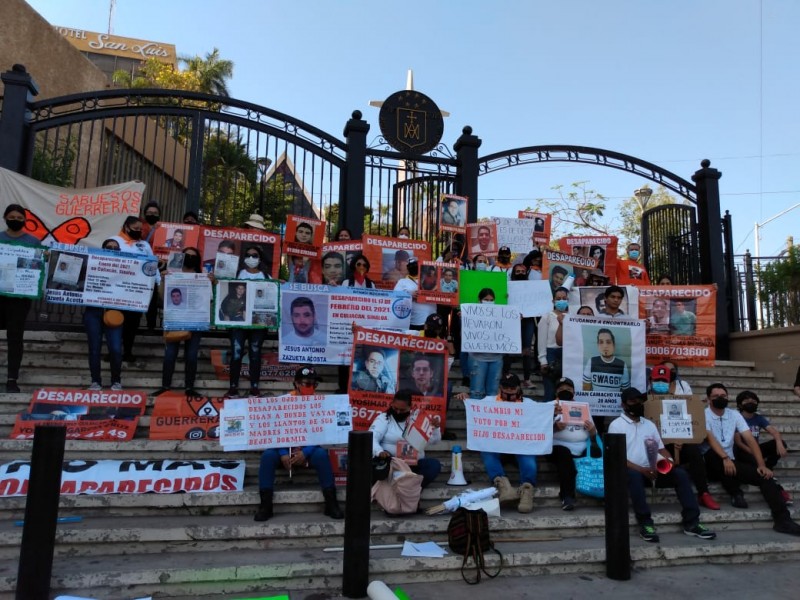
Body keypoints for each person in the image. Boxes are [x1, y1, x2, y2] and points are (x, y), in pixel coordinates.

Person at [608, 388, 716, 542]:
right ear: (623, 405)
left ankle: (692, 522)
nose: (637, 404)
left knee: (680, 474)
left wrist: (668, 462)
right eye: (633, 401)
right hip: (632, 471)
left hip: (653, 470)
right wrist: (642, 470)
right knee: (633, 476)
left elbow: (661, 449)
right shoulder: (616, 426)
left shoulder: (649, 425)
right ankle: (645, 523)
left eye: (640, 400)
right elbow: (617, 457)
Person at [701, 383, 800, 535]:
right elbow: (711, 439)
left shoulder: (734, 415)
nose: (720, 399)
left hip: (731, 462)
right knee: (712, 455)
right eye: (716, 397)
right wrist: (725, 458)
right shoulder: (703, 414)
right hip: (713, 462)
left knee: (764, 477)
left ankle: (783, 521)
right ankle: (735, 491)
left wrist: (761, 465)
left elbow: (750, 439)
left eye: (723, 396)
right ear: (708, 399)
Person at [254, 366, 343, 522]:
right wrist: (282, 454)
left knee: (322, 455)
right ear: (296, 384)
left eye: (314, 384)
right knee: (268, 456)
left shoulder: (320, 402)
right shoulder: (283, 402)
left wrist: (306, 452)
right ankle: (265, 505)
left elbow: (322, 432)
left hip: (309, 447)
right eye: (306, 384)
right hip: (283, 446)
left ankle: (331, 503)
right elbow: (275, 430)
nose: (310, 387)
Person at [648, 364, 720, 510]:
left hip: (679, 441)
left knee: (693, 450)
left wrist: (682, 438)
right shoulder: (643, 401)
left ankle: (703, 493)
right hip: (657, 445)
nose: (660, 384)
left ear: (670, 382)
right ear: (650, 380)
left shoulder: (679, 401)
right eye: (657, 380)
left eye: (664, 381)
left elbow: (689, 422)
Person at [479, 374, 542, 514]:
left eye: (512, 387)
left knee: (528, 453)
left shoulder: (530, 404)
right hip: (497, 448)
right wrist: (466, 399)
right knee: (486, 449)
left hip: (520, 447)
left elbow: (543, 416)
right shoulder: (488, 401)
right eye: (505, 387)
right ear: (500, 388)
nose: (509, 390)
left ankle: (527, 490)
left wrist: (553, 412)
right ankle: (504, 487)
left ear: (519, 388)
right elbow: (475, 414)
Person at [155, 247, 208, 398]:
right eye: (187, 256)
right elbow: (162, 298)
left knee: (191, 355)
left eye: (193, 256)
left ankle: (189, 387)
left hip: (195, 321)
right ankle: (165, 386)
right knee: (170, 354)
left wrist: (213, 282)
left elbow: (208, 299)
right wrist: (164, 280)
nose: (190, 258)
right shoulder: (172, 274)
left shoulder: (202, 277)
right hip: (175, 320)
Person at [0, 204, 40, 392]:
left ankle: (11, 379)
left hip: (19, 297)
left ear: (25, 220)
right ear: (5, 217)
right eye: (12, 217)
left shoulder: (33, 241)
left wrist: (44, 258)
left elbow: (38, 267)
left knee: (15, 337)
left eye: (19, 218)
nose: (15, 220)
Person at [110, 216, 159, 363]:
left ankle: (128, 351)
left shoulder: (144, 245)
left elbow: (152, 262)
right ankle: (113, 350)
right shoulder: (114, 241)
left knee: (132, 322)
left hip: (137, 290)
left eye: (140, 229)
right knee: (115, 321)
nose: (138, 232)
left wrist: (157, 281)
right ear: (126, 227)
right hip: (117, 289)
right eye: (135, 229)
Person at [370, 390, 442, 488]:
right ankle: (409, 490)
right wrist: (379, 451)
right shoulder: (384, 418)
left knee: (434, 465)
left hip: (413, 465)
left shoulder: (418, 418)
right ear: (391, 404)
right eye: (395, 408)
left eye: (402, 410)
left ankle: (410, 490)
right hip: (392, 465)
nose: (398, 412)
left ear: (410, 407)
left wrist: (436, 428)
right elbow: (372, 437)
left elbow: (434, 441)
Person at [225, 246, 269, 397]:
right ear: (244, 258)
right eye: (248, 255)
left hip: (258, 323)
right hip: (238, 323)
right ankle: (233, 387)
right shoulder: (237, 275)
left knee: (255, 353)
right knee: (236, 353)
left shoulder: (266, 277)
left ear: (260, 258)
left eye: (254, 255)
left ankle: (254, 387)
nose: (251, 258)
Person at [549, 377, 599, 510]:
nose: (565, 391)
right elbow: (538, 432)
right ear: (556, 392)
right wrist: (554, 427)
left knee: (598, 453)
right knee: (564, 455)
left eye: (568, 389)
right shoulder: (549, 407)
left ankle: (601, 491)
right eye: (561, 389)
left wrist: (593, 431)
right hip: (557, 446)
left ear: (574, 392)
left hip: (582, 446)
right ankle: (567, 496)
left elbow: (594, 435)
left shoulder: (583, 407)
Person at [82, 239, 124, 392]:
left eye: (115, 248)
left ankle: (116, 381)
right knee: (94, 348)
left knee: (115, 348)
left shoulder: (126, 267)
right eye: (108, 247)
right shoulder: (92, 265)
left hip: (114, 312)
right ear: (102, 249)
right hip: (93, 311)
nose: (112, 249)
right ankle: (95, 382)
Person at [734, 390, 790, 478]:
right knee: (754, 464)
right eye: (747, 401)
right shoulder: (736, 418)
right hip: (743, 451)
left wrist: (779, 443)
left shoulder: (758, 418)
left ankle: (769, 466)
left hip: (756, 449)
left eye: (753, 401)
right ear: (740, 404)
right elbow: (739, 443)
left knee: (781, 443)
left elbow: (774, 432)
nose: (750, 403)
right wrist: (754, 453)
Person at [466, 288, 504, 398]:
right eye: (486, 299)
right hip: (477, 359)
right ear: (479, 300)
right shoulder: (471, 315)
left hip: (496, 359)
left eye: (491, 300)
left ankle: (488, 416)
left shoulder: (501, 315)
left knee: (493, 393)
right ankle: (475, 415)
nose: (489, 302)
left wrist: (515, 321)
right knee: (476, 392)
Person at [505, 264, 537, 386]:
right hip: (510, 320)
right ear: (513, 273)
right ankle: (505, 374)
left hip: (527, 320)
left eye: (523, 271)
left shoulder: (532, 288)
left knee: (527, 350)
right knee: (507, 347)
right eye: (517, 271)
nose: (520, 273)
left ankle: (527, 379)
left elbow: (537, 302)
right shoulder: (507, 287)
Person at [539, 287, 569, 400]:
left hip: (568, 355)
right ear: (553, 301)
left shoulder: (572, 317)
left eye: (564, 298)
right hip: (551, 354)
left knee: (565, 391)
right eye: (558, 298)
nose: (561, 301)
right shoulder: (546, 317)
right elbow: (541, 340)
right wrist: (543, 361)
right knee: (550, 392)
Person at [393, 257, 436, 330]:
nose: (413, 267)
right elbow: (394, 299)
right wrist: (409, 295)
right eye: (411, 266)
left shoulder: (431, 280)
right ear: (408, 268)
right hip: (413, 322)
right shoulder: (402, 282)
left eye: (415, 265)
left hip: (432, 321)